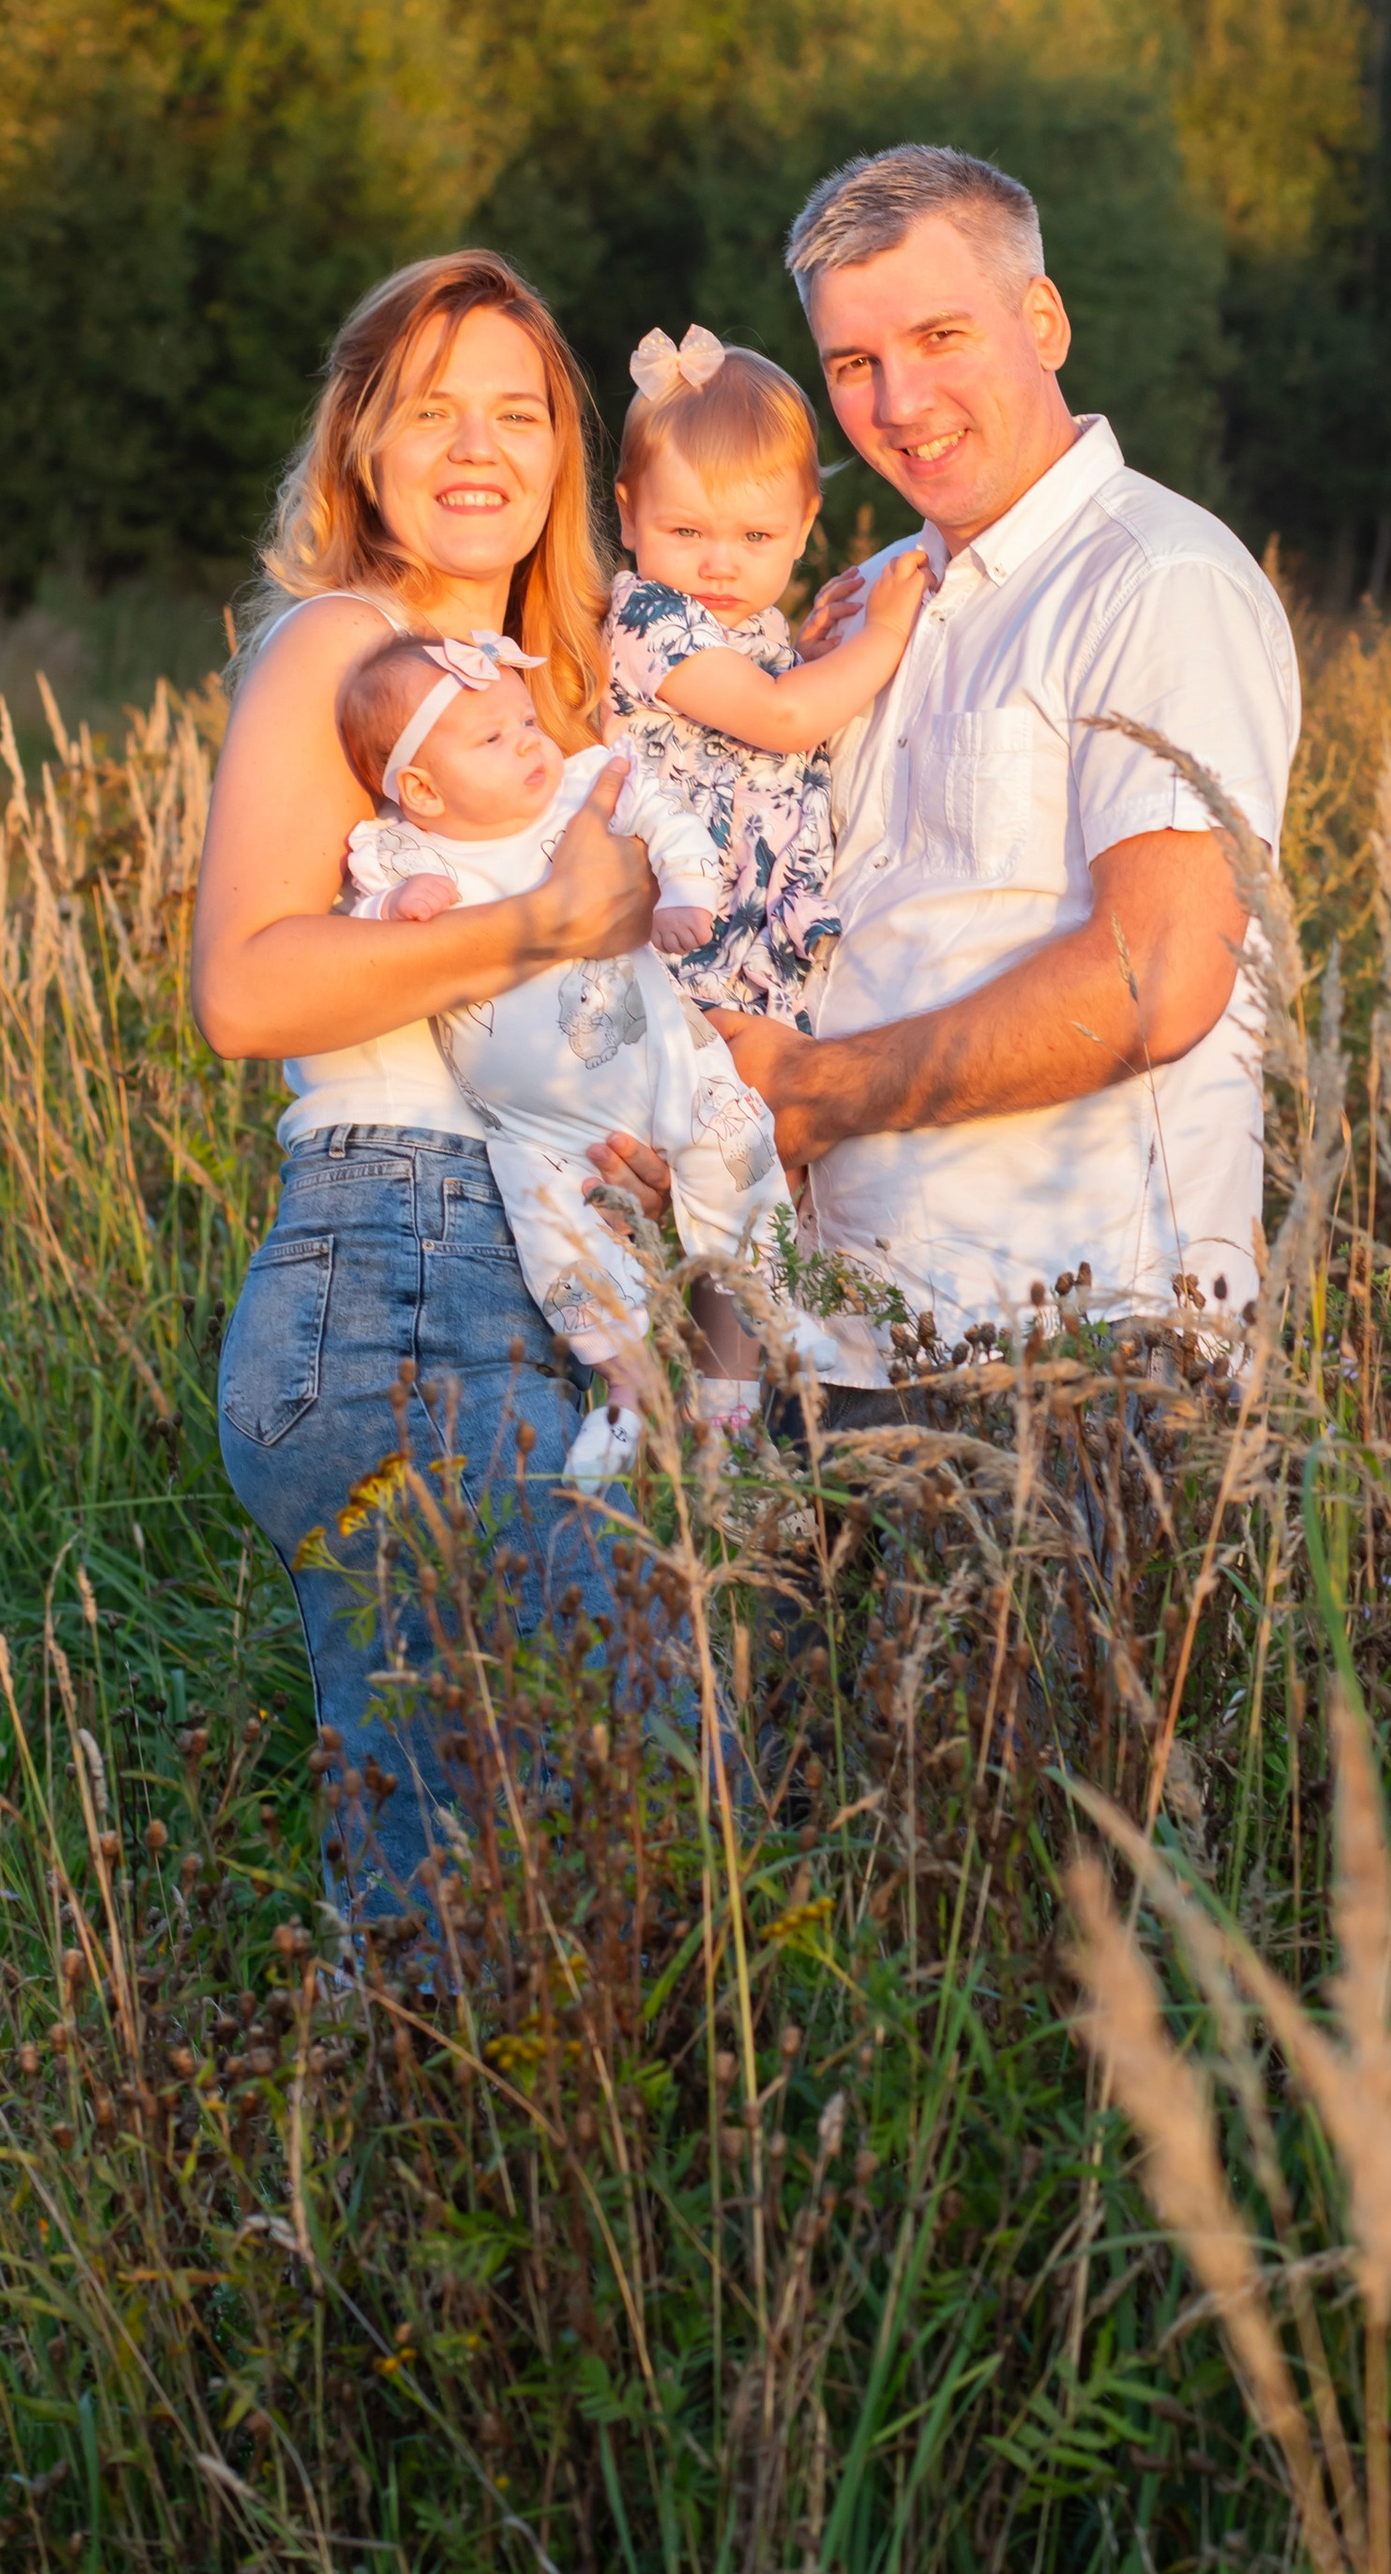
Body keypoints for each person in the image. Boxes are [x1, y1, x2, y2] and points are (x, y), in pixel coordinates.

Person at [638, 144, 1301, 1383]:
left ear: (1040, 319)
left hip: (1068, 1356)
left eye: (940, 336)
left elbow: (1156, 973)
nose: (899, 402)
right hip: (833, 1343)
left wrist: (809, 1091)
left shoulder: (1154, 580)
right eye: (854, 363)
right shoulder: (876, 602)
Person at [194, 251, 660, 1904]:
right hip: (403, 1261)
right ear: (365, 451)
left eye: (518, 411)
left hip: (542, 1267)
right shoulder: (344, 641)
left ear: (562, 454)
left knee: (603, 1820)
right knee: (455, 1869)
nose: (477, 446)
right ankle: (394, 2147)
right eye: (430, 409)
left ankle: (501, 2154)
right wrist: (543, 924)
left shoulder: (566, 684)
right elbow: (245, 986)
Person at [333, 625, 804, 1480]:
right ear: (421, 789)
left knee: (736, 1176)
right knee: (557, 1243)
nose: (528, 743)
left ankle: (731, 1413)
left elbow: (668, 820)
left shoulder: (583, 790)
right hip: (534, 1128)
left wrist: (686, 893)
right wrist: (397, 902)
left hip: (666, 1066)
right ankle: (627, 1394)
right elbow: (350, 939)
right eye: (493, 738)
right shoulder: (408, 850)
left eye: (525, 721)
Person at [601, 322, 930, 1030]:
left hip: (748, 945)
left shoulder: (749, 633)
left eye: (756, 537)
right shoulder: (645, 615)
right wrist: (880, 636)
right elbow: (778, 718)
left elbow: (757, 706)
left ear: (805, 526)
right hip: (676, 943)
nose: (721, 563)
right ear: (629, 516)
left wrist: (802, 662)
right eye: (687, 532)